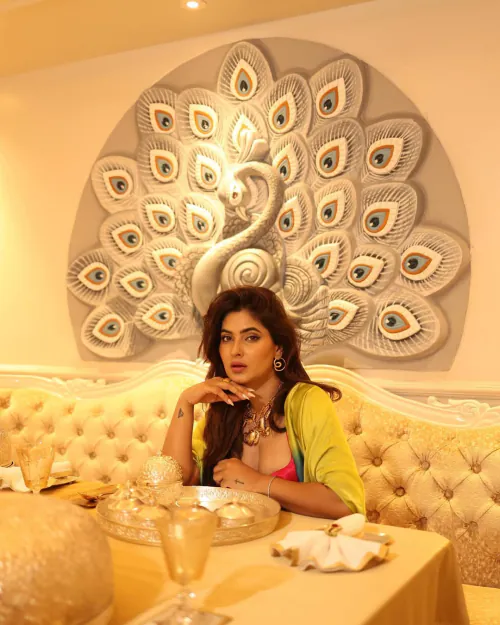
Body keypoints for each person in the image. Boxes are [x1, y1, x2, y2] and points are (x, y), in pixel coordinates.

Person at [163, 286, 365, 519]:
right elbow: (169, 485)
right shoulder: (223, 408)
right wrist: (185, 402)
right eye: (227, 338)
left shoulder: (306, 402)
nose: (235, 351)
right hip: (232, 539)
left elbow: (344, 504)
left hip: (295, 541)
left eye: (251, 337)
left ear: (278, 348)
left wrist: (258, 482)